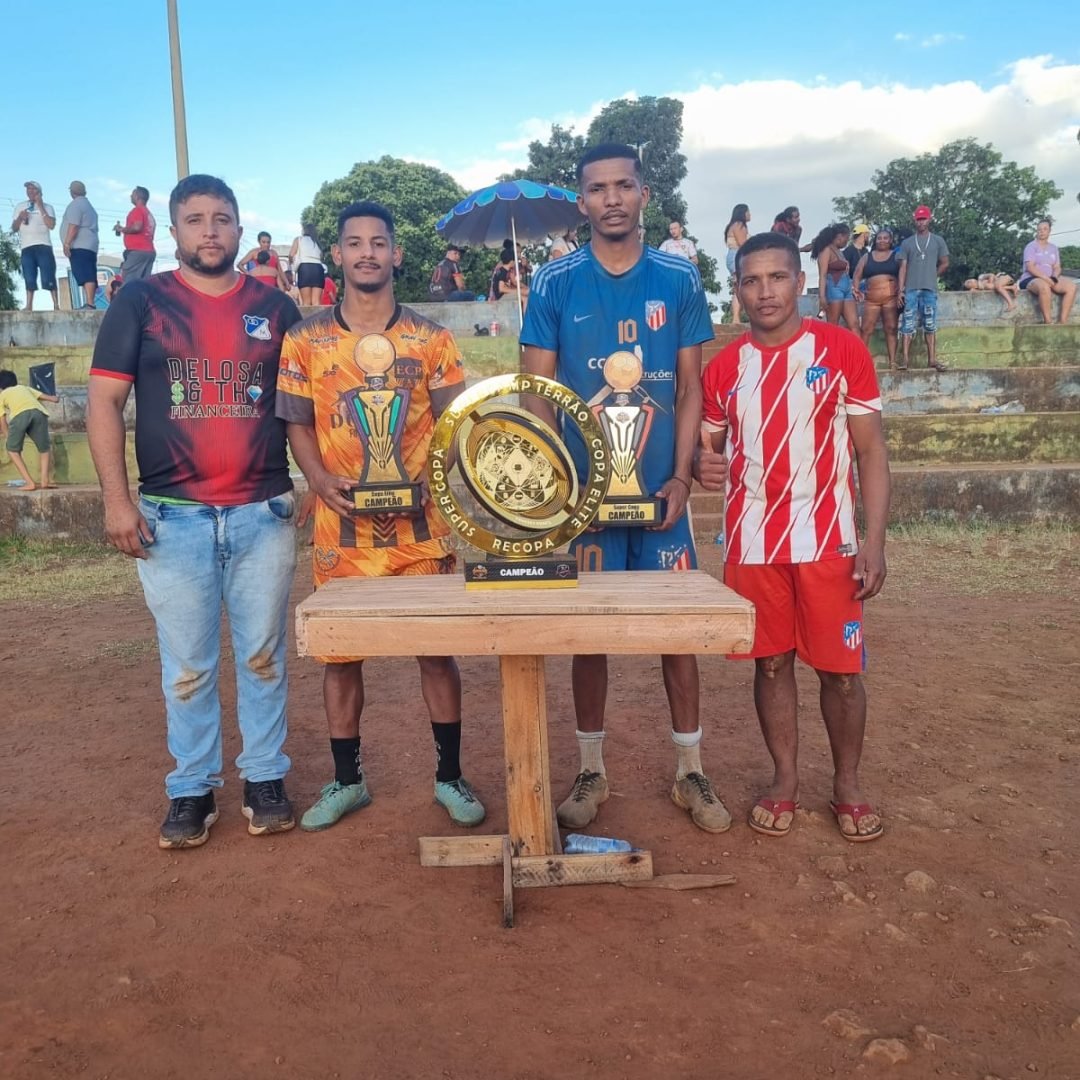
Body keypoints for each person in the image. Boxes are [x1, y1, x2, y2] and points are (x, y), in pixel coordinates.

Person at [87, 174, 304, 850]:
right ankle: (193, 786)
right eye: (194, 220)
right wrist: (117, 501)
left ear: (241, 230)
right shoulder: (140, 302)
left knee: (264, 654)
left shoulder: (277, 308)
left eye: (222, 219)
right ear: (173, 231)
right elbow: (103, 405)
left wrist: (316, 486)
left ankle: (265, 777)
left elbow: (300, 411)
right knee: (187, 662)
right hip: (171, 516)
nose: (209, 230)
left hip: (261, 513)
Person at [521, 143, 731, 834]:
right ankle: (591, 769)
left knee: (677, 634)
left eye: (623, 185)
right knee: (590, 635)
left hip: (661, 496)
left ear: (644, 194)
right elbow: (538, 393)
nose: (611, 198)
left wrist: (678, 475)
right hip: (585, 503)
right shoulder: (554, 282)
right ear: (580, 202)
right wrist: (560, 486)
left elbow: (695, 385)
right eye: (596, 188)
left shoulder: (678, 277)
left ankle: (689, 771)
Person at [276, 200, 485, 832]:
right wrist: (316, 477)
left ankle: (450, 777)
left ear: (396, 254)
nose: (367, 252)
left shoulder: (431, 338)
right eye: (354, 243)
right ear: (335, 255)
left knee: (434, 651)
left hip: (421, 530)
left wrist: (434, 474)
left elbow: (456, 420)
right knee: (341, 656)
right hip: (340, 526)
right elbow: (296, 422)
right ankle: (347, 781)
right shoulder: (305, 338)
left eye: (378, 243)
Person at [697, 230, 891, 843]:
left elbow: (871, 452)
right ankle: (785, 780)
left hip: (829, 542)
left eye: (776, 277)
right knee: (773, 665)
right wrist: (705, 467)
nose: (765, 292)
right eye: (750, 281)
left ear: (800, 282)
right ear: (737, 291)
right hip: (753, 543)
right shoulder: (724, 369)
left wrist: (874, 540)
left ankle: (848, 785)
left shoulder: (842, 349)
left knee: (839, 671)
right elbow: (711, 454)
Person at [897, 205, 949, 371]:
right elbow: (903, 267)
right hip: (911, 289)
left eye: (924, 219)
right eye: (919, 219)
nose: (921, 222)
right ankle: (905, 360)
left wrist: (933, 275)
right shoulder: (907, 243)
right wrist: (900, 290)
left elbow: (945, 262)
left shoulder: (937, 240)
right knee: (908, 323)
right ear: (915, 220)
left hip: (929, 289)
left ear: (929, 219)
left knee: (930, 324)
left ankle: (932, 359)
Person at [0, 370, 59, 490]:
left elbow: (2, 419)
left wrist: (7, 437)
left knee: (12, 450)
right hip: (39, 413)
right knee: (44, 448)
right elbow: (46, 397)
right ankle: (44, 481)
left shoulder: (2, 395)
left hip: (20, 416)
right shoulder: (24, 388)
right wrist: (54, 399)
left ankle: (29, 482)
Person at [852, 228, 902, 370]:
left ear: (890, 240)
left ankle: (893, 362)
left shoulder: (896, 255)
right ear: (875, 240)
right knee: (866, 329)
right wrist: (855, 289)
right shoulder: (867, 256)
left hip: (891, 298)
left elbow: (904, 271)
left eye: (885, 238)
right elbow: (857, 274)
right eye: (879, 238)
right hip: (871, 299)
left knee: (891, 328)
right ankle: (861, 362)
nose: (882, 241)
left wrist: (901, 288)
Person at [11, 181, 58, 311]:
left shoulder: (48, 207)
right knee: (29, 276)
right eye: (28, 189)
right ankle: (29, 305)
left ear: (39, 192)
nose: (30, 191)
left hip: (44, 245)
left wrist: (40, 206)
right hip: (27, 247)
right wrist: (20, 218)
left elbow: (51, 225)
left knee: (48, 275)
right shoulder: (20, 206)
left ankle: (56, 304)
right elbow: (14, 228)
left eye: (33, 189)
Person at [1019, 219, 1076, 325]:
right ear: (1037, 231)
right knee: (1044, 287)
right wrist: (1045, 278)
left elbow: (1057, 267)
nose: (1042, 231)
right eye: (1039, 229)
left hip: (1050, 277)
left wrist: (1054, 277)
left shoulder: (1053, 248)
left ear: (1049, 231)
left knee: (1071, 287)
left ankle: (1062, 322)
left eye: (1045, 229)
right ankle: (1048, 322)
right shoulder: (1031, 246)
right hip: (1030, 278)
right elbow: (1030, 267)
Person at [60, 181, 99, 310]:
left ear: (72, 192)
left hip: (81, 244)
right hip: (90, 244)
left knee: (86, 273)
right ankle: (89, 302)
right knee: (88, 272)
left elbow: (74, 225)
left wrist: (67, 243)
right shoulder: (89, 206)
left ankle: (89, 303)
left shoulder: (76, 205)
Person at [811, 224, 857, 330]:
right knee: (833, 324)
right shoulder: (826, 250)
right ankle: (830, 346)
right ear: (840, 236)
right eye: (847, 237)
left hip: (846, 288)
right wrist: (822, 296)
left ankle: (860, 347)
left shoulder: (839, 251)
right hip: (834, 288)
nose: (847, 241)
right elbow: (822, 275)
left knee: (854, 323)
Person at [113, 187, 157, 282]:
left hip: (137, 251)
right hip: (149, 251)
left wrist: (121, 229)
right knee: (143, 285)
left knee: (129, 284)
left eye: (132, 194)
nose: (130, 196)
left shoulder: (137, 210)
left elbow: (137, 227)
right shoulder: (149, 214)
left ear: (137, 196)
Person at [723, 204, 751, 324]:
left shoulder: (732, 226)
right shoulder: (739, 225)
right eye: (748, 212)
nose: (750, 214)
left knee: (738, 286)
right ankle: (736, 318)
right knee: (740, 287)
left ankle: (736, 317)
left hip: (732, 256)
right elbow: (742, 243)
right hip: (738, 256)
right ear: (743, 213)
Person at [290, 223, 325, 306]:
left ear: (304, 230)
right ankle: (318, 319)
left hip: (305, 268)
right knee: (316, 302)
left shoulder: (299, 239)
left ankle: (308, 319)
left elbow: (291, 254)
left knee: (306, 302)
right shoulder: (317, 243)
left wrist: (292, 263)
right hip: (318, 268)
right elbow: (321, 257)